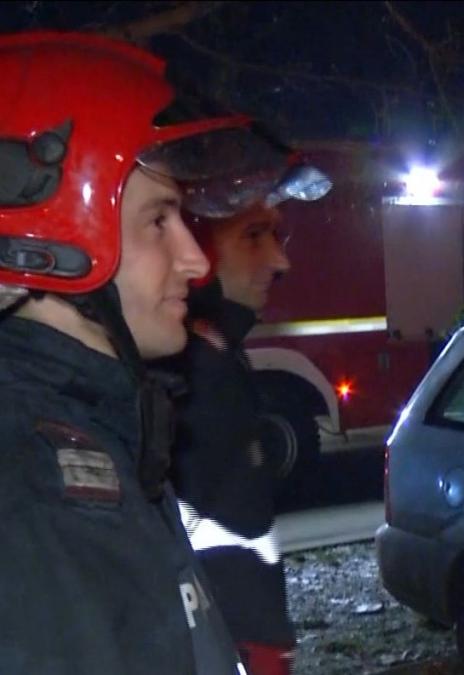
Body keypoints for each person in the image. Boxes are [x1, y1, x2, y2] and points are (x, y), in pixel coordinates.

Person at [0, 31, 301, 674]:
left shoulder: (98, 438)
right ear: (50, 245)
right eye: (160, 220)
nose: (195, 260)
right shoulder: (40, 497)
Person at [162, 175, 328, 675]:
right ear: (193, 246)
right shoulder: (191, 371)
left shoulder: (215, 355)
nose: (280, 261)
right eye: (254, 236)